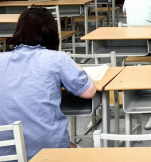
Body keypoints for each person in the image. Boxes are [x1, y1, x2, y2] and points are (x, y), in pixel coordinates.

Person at [0, 8, 96, 160]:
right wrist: (74, 64)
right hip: (47, 150)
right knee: (85, 154)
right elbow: (89, 91)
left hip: (5, 151)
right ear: (51, 32)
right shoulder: (57, 59)